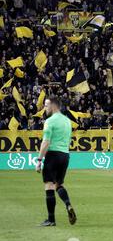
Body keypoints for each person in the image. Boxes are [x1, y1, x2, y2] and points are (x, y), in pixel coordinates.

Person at [35, 97, 76, 226]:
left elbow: (46, 142)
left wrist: (39, 160)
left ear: (53, 106)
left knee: (49, 185)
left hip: (53, 155)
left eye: (46, 106)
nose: (45, 109)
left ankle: (51, 220)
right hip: (65, 155)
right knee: (58, 184)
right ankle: (68, 204)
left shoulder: (49, 121)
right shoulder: (68, 121)